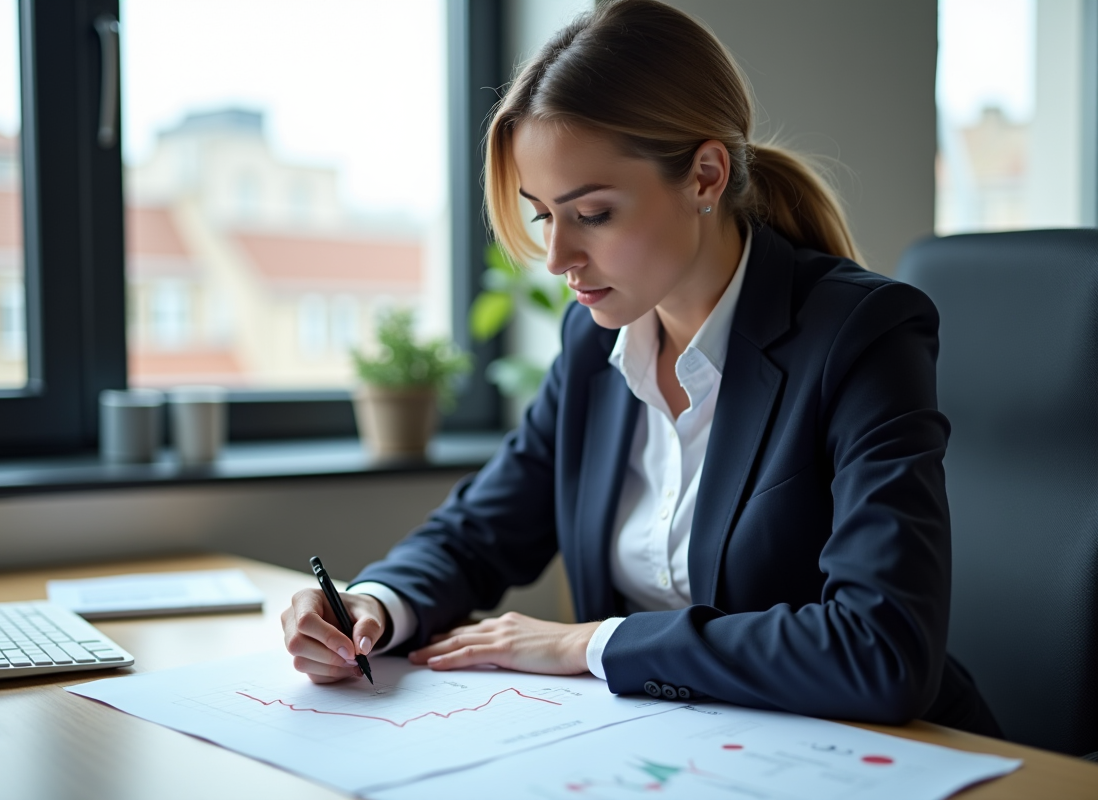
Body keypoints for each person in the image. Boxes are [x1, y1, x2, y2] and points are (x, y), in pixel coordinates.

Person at [281, 0, 1001, 735]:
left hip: (890, 758)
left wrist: (588, 644)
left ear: (705, 177)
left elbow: (881, 651)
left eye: (592, 214)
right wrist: (372, 604)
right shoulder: (596, 344)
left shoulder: (861, 334)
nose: (558, 258)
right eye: (541, 216)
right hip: (679, 754)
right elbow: (479, 532)